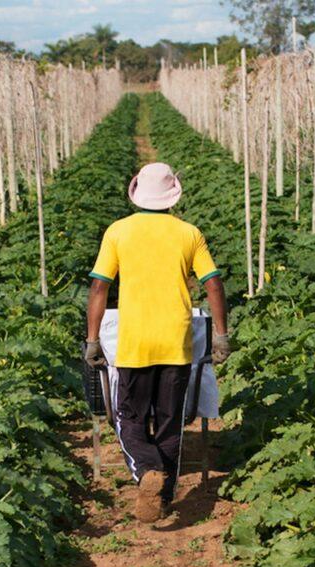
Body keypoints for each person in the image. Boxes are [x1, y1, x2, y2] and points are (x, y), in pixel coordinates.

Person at [84, 162, 230, 523]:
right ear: (172, 196)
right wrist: (221, 335)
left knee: (129, 415)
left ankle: (147, 471)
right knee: (169, 421)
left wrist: (92, 339)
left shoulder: (118, 232)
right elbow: (213, 283)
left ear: (137, 193)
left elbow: (100, 287)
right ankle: (162, 496)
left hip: (136, 343)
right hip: (176, 341)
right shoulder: (189, 233)